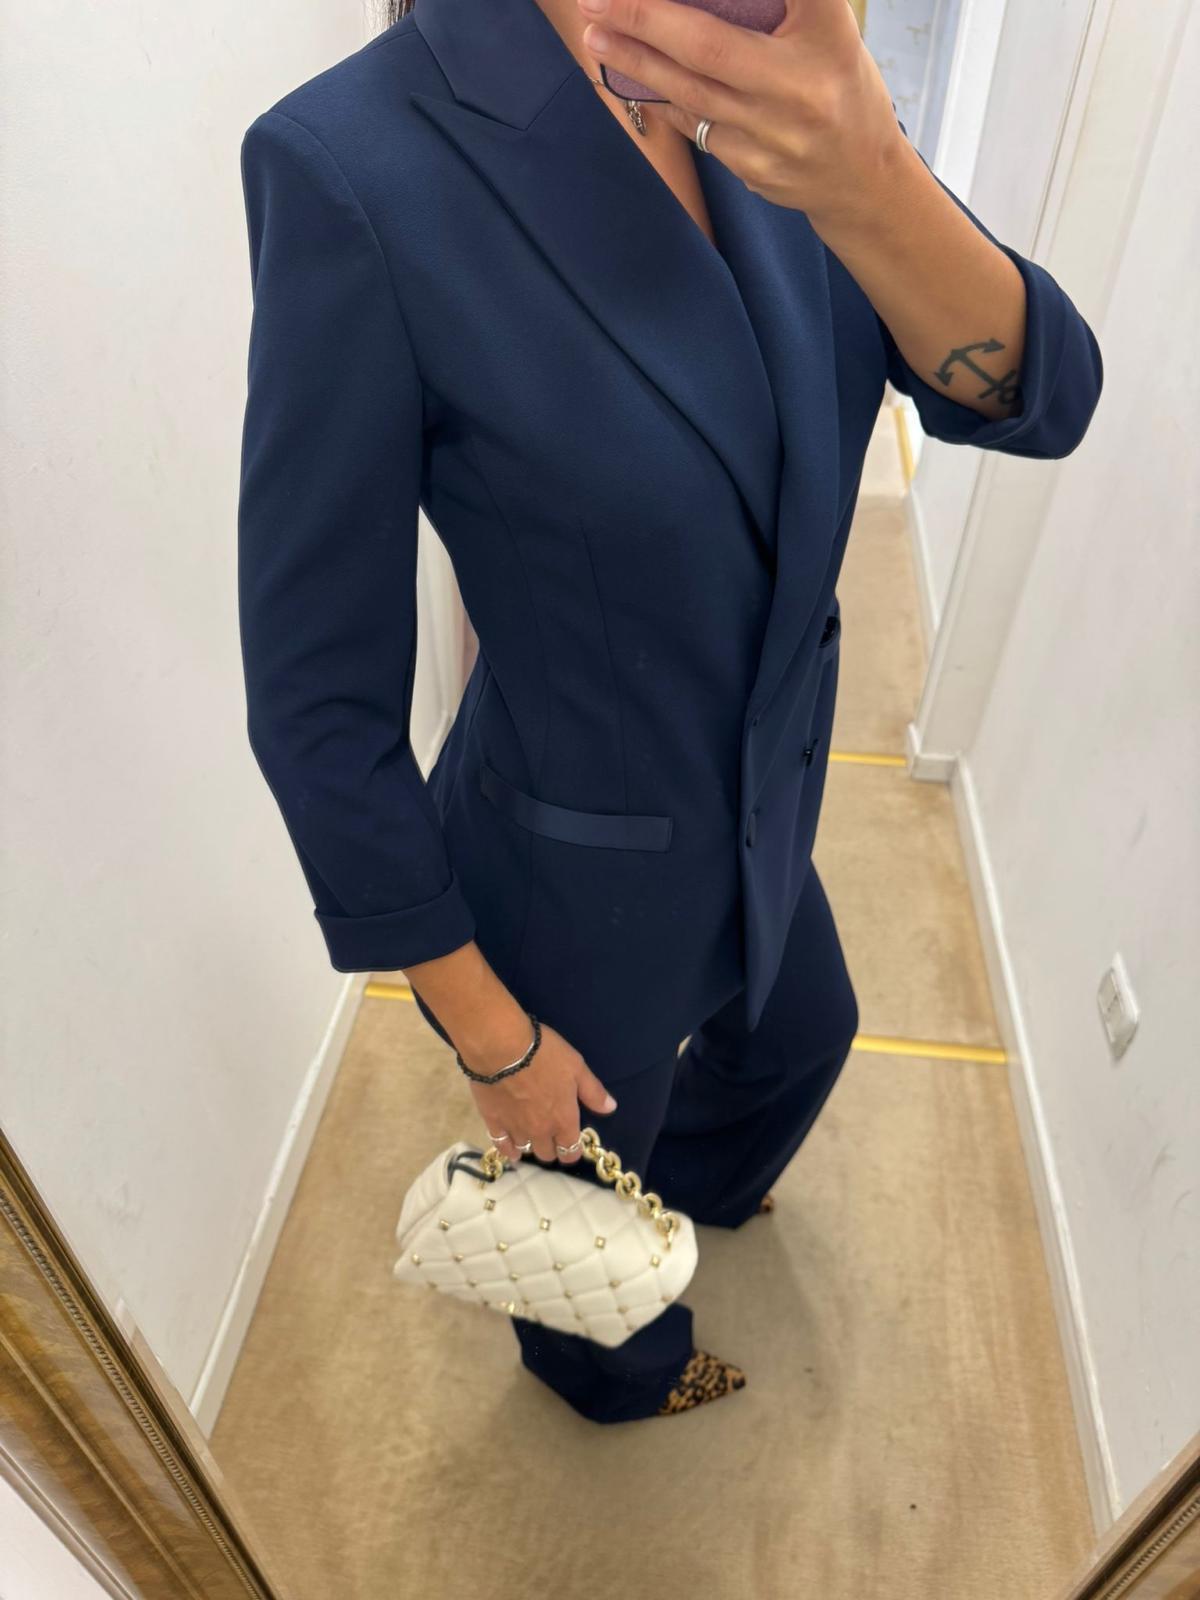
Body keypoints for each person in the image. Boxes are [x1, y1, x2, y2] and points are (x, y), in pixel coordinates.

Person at [235, 0, 1103, 1424]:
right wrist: (493, 1041)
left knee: (805, 1037)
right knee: (575, 1229)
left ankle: (686, 1200)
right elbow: (317, 705)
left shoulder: (790, 85)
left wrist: (871, 170)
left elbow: (1044, 396)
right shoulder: (354, 166)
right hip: (577, 887)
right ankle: (614, 1373)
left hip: (767, 807)